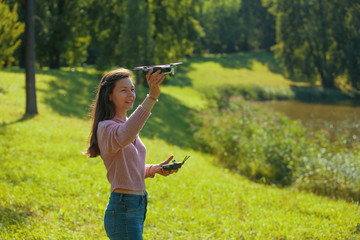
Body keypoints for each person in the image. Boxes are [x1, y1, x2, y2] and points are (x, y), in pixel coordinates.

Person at [86, 68, 178, 239]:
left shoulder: (126, 124)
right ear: (109, 96)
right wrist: (152, 96)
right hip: (123, 208)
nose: (131, 94)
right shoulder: (107, 127)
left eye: (132, 89)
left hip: (137, 206)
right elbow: (125, 134)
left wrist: (153, 169)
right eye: (123, 90)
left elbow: (128, 168)